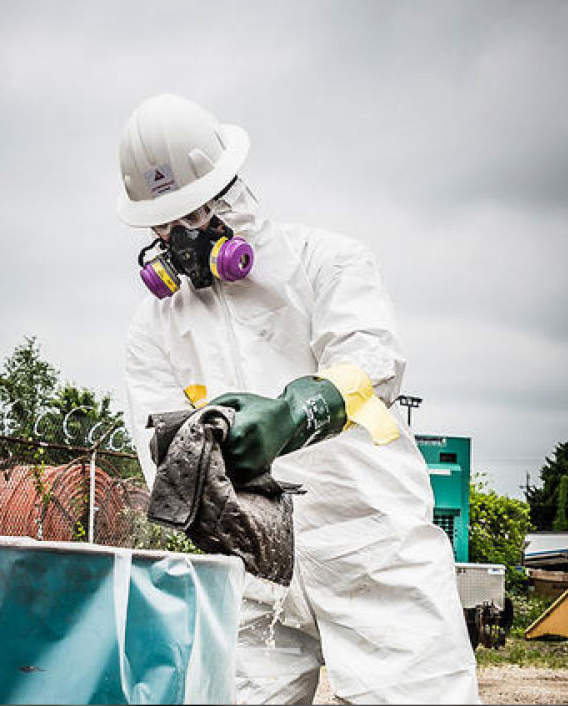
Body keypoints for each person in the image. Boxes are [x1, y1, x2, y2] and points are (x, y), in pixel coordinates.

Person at [116, 93, 480, 704]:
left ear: (229, 192)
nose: (178, 239)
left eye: (193, 215)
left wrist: (294, 413)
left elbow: (371, 364)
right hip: (253, 572)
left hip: (373, 549)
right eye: (163, 225)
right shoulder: (154, 327)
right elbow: (159, 448)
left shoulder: (325, 262)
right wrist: (197, 460)